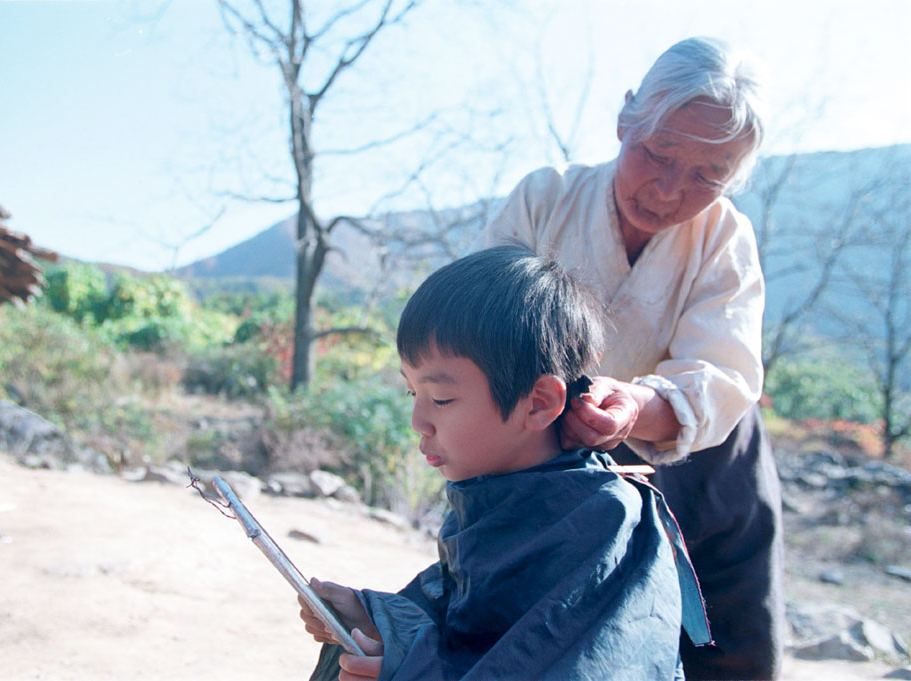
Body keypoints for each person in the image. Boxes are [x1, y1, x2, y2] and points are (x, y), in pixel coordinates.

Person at [483, 36, 784, 680]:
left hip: (702, 459)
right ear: (625, 120)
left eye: (709, 175)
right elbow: (482, 330)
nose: (672, 190)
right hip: (544, 444)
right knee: (545, 643)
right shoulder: (545, 200)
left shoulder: (724, 238)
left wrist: (637, 406)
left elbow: (722, 372)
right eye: (657, 153)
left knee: (724, 648)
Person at [299, 245, 711, 681]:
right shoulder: (485, 494)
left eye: (441, 399)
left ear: (538, 403)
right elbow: (464, 630)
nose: (418, 421)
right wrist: (375, 621)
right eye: (411, 393)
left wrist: (407, 669)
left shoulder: (606, 524)